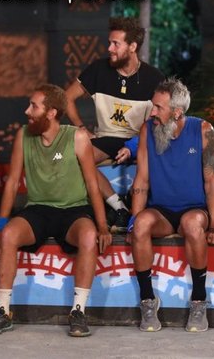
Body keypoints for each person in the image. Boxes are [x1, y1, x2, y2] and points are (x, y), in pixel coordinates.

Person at [0, 84, 112, 337]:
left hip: (73, 210)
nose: (27, 111)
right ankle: (2, 311)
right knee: (9, 235)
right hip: (38, 210)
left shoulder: (76, 137)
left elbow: (92, 185)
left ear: (51, 112)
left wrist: (103, 226)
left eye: (34, 106)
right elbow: (12, 182)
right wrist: (1, 221)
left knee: (88, 236)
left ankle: (78, 312)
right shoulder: (23, 135)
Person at [127, 78, 214, 333]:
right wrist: (133, 221)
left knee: (192, 224)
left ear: (177, 112)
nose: (152, 113)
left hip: (194, 209)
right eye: (153, 106)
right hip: (161, 211)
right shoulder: (148, 129)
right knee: (141, 225)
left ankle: (199, 301)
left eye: (158, 107)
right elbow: (142, 179)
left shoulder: (203, 130)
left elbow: (211, 182)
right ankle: (147, 301)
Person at [65, 17, 164, 232]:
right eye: (110, 43)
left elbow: (161, 122)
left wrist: (134, 146)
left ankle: (143, 212)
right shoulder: (98, 69)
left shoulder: (154, 78)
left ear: (132, 47)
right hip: (107, 137)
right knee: (74, 157)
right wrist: (81, 128)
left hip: (141, 140)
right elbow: (66, 98)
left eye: (115, 44)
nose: (109, 48)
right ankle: (119, 208)